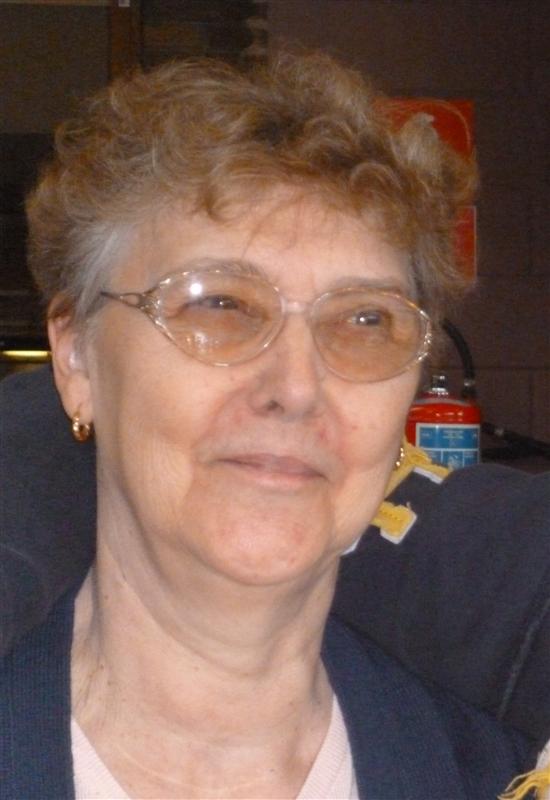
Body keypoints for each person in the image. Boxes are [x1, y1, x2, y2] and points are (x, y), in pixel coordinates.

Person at [0, 52, 529, 798]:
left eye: (365, 320)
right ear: (76, 357)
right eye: (219, 304)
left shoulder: (492, 776)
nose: (297, 387)